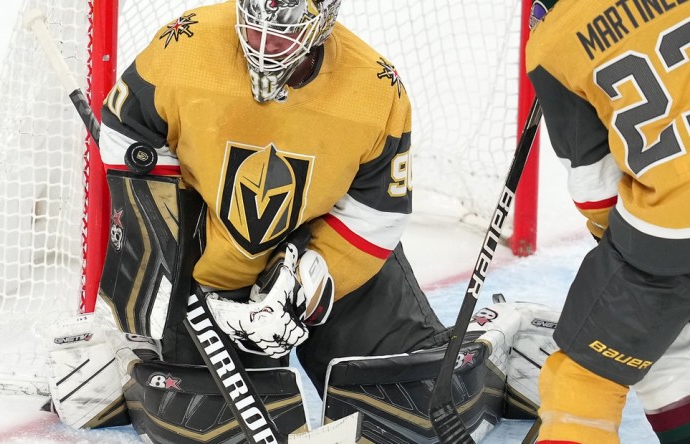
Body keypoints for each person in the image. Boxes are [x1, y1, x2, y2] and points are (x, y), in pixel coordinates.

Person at [44, 1, 549, 442]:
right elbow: (127, 143)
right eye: (255, 20)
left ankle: (500, 333)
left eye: (283, 26)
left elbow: (376, 212)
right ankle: (120, 349)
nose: (264, 42)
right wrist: (196, 289)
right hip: (204, 254)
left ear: (323, 18)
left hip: (319, 247)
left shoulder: (376, 89)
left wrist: (312, 279)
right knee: (209, 423)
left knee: (414, 409)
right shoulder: (186, 45)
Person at [525, 1, 690, 443]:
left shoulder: (550, 43)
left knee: (582, 383)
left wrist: (617, 256)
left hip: (671, 235)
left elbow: (596, 188)